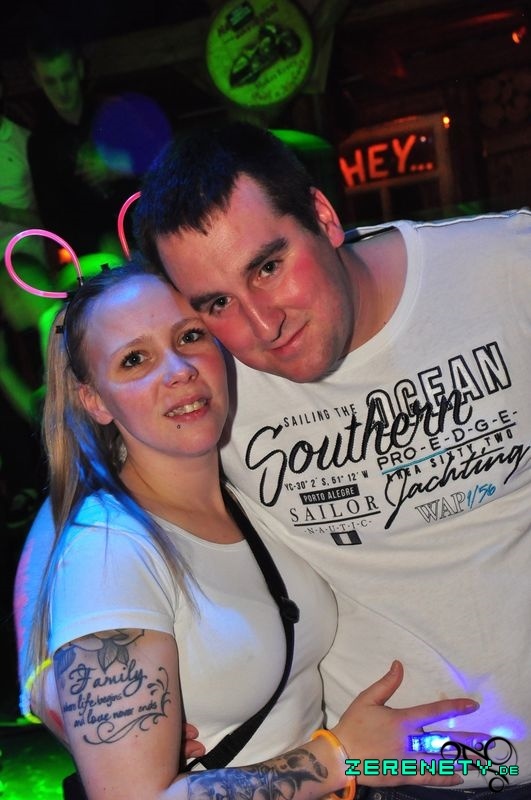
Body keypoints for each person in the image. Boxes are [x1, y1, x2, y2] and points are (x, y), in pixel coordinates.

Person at [129, 122, 531, 799]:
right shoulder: (204, 383)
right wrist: (58, 676)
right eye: (218, 303)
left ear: (322, 216)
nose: (263, 325)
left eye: (268, 267)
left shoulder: (507, 269)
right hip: (397, 774)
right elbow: (89, 514)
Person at [12, 260, 480, 799]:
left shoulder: (248, 491)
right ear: (94, 399)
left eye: (190, 336)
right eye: (134, 359)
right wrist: (340, 756)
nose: (179, 369)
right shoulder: (110, 550)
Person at [25, 24, 136, 258]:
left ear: (79, 69)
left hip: (142, 237)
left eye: (66, 77)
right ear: (37, 80)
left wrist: (119, 167)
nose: (61, 90)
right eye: (51, 81)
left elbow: (160, 162)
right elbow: (53, 219)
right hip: (93, 258)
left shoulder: (114, 112)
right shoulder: (40, 144)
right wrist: (100, 242)